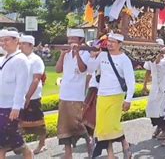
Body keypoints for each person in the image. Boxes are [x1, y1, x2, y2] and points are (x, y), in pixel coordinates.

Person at [87, 33, 135, 158]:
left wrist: (128, 99)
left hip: (116, 96)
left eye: (113, 42)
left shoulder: (125, 59)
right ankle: (112, 153)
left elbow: (131, 82)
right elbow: (91, 69)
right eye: (109, 41)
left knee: (111, 126)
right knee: (103, 128)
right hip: (102, 95)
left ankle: (122, 147)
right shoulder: (102, 55)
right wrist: (92, 57)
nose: (110, 44)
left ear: (120, 44)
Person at [55, 28, 93, 158]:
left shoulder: (86, 53)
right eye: (69, 39)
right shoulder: (65, 53)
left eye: (73, 39)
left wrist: (77, 53)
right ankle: (68, 153)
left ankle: (89, 140)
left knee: (77, 123)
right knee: (64, 124)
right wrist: (62, 54)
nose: (70, 41)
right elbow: (58, 70)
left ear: (81, 40)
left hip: (76, 94)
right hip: (64, 93)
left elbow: (83, 70)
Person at [0, 30, 33, 159]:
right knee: (2, 142)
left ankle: (29, 155)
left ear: (16, 41)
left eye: (6, 40)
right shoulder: (2, 59)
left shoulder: (21, 60)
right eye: (1, 41)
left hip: (11, 107)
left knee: (16, 141)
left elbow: (21, 86)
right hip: (1, 104)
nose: (3, 43)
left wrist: (16, 107)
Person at [19, 35, 47, 154]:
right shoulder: (19, 59)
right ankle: (21, 146)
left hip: (33, 95)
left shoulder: (35, 60)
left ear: (31, 46)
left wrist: (28, 97)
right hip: (19, 95)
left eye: (23, 44)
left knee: (38, 121)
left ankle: (42, 143)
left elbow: (36, 79)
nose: (20, 46)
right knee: (18, 122)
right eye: (20, 43)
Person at [143, 39, 165, 140]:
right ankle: (158, 127)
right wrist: (144, 85)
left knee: (162, 110)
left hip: (164, 87)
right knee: (152, 108)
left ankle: (164, 130)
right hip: (154, 88)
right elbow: (148, 71)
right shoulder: (150, 58)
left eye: (159, 47)